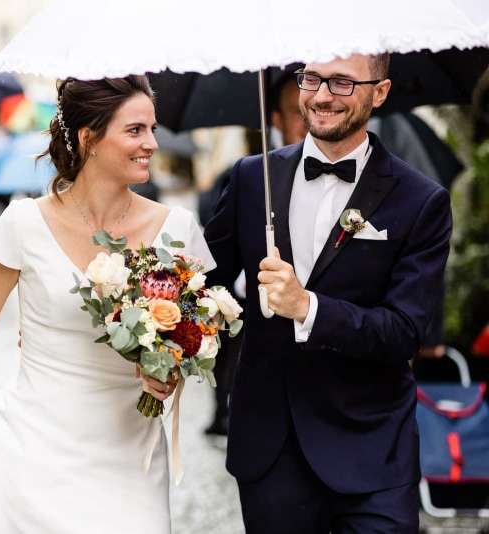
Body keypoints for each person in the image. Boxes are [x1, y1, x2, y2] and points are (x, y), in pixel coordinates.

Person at [0, 75, 214, 533]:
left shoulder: (178, 228)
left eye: (152, 128)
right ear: (90, 138)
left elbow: (197, 334)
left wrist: (168, 372)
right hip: (31, 457)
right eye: (135, 130)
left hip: (132, 462)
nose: (151, 142)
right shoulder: (23, 223)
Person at [204, 53, 452, 533]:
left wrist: (307, 307)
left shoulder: (421, 200)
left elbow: (403, 333)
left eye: (341, 83)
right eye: (312, 79)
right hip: (272, 446)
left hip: (373, 447)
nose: (320, 96)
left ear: (379, 92)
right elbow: (202, 283)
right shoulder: (251, 178)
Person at [200, 70, 308, 436]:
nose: (309, 117)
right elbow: (210, 268)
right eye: (297, 110)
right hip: (250, 315)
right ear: (275, 118)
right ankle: (221, 414)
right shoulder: (249, 177)